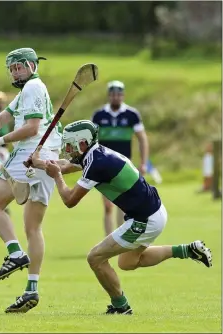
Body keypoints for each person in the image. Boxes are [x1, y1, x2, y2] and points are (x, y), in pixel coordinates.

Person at [30, 120, 212, 315]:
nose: (66, 149)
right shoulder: (95, 153)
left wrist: (57, 177)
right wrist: (38, 163)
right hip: (152, 212)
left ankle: (121, 306)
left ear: (82, 143)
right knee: (127, 262)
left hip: (145, 220)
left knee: (95, 258)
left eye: (69, 145)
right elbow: (65, 165)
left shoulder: (96, 164)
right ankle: (188, 250)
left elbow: (69, 200)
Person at [0, 47, 62, 313]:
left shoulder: (34, 88)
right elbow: (5, 116)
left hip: (29, 154)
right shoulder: (27, 91)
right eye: (12, 68)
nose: (15, 72)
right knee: (33, 228)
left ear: (32, 66)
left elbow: (32, 128)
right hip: (48, 160)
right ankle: (31, 289)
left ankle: (15, 254)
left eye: (19, 67)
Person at [92, 81, 149, 236]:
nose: (115, 97)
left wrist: (143, 162)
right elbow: (92, 140)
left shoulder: (131, 115)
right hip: (103, 166)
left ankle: (119, 240)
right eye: (112, 95)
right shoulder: (99, 115)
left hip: (124, 166)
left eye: (118, 94)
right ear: (108, 96)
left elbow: (142, 139)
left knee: (123, 204)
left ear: (123, 96)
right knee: (107, 205)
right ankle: (108, 239)